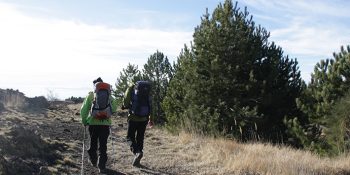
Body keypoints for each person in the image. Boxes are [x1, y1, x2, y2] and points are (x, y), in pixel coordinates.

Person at [80, 77, 117, 173]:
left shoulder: (91, 95)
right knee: (103, 145)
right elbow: (114, 108)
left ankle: (93, 159)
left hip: (92, 123)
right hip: (105, 124)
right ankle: (102, 165)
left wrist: (84, 121)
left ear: (95, 86)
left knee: (93, 143)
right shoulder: (109, 95)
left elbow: (83, 110)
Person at [122, 80, 153, 167]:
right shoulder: (146, 90)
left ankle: (137, 152)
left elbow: (125, 103)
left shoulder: (131, 88)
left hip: (133, 117)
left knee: (129, 137)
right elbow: (150, 105)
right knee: (140, 138)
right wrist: (151, 118)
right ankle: (138, 160)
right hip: (144, 119)